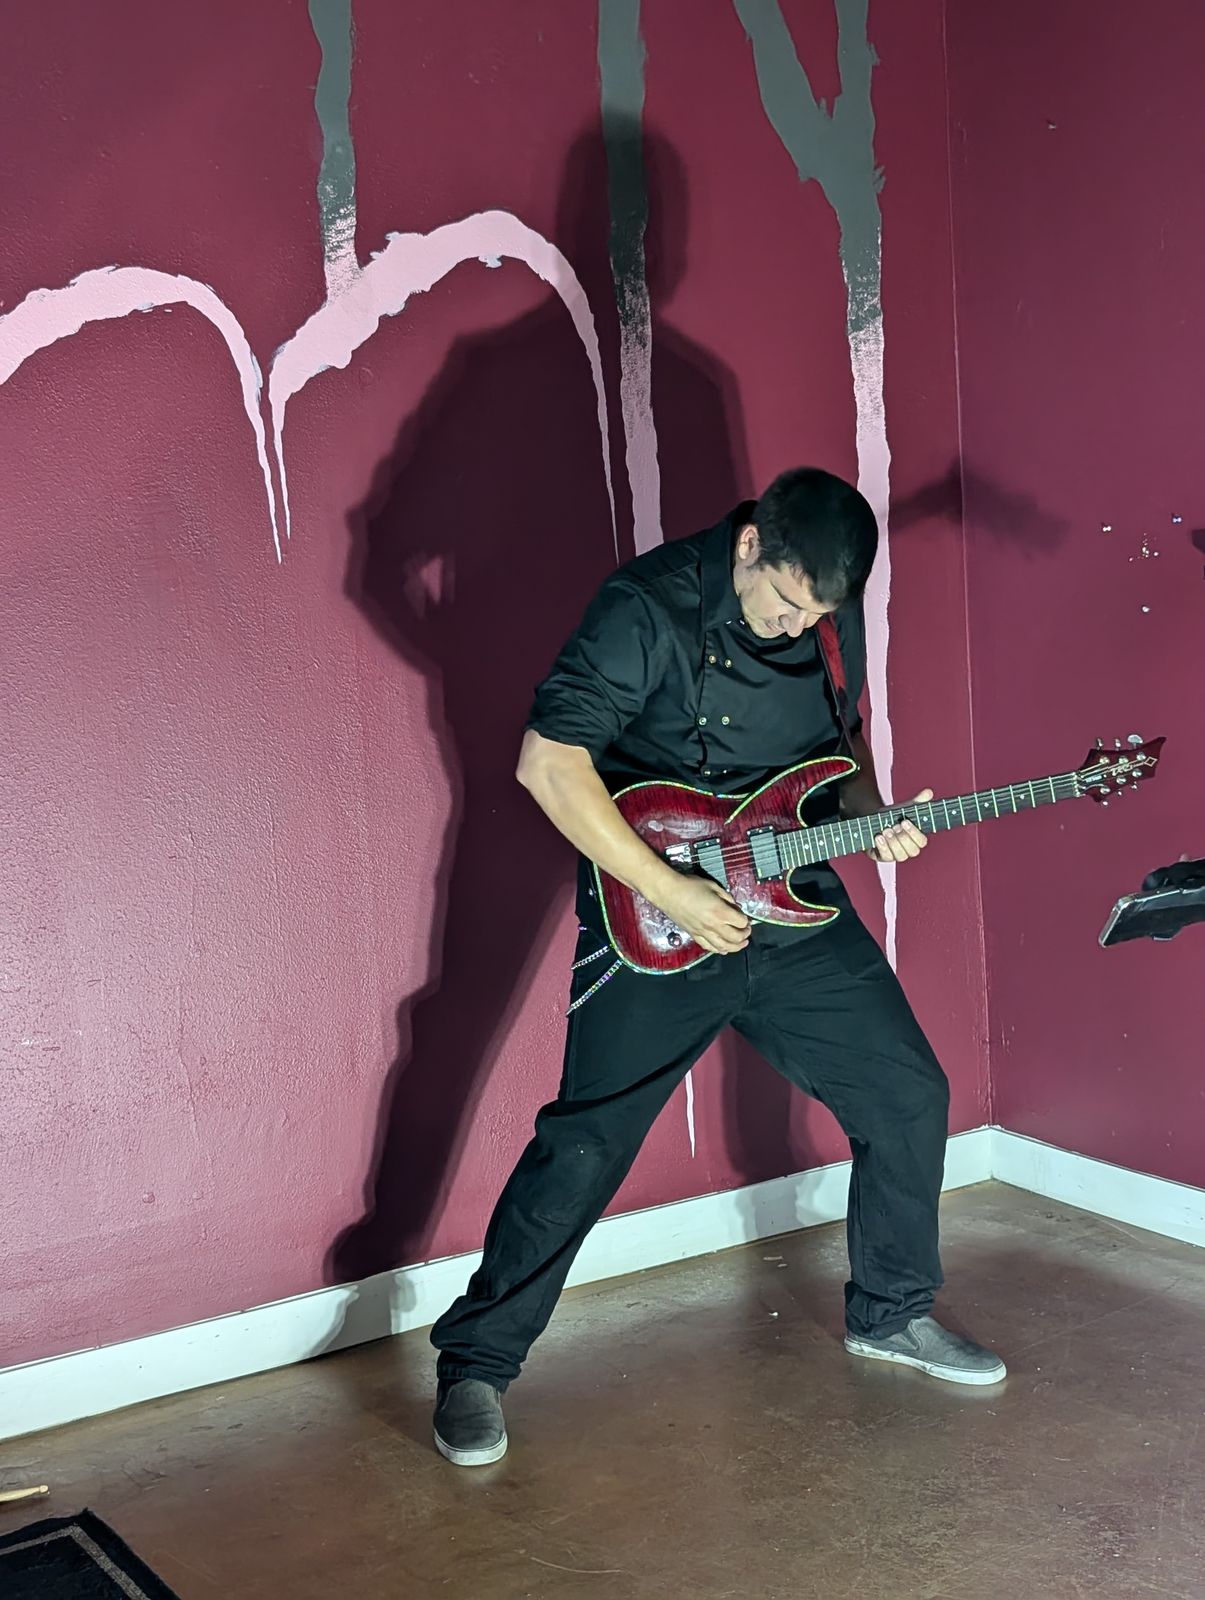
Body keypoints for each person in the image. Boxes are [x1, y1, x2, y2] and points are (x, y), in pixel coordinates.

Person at [430, 466, 1006, 1467]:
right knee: (584, 1146)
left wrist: (872, 819)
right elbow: (547, 762)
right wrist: (675, 888)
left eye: (814, 613)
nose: (795, 626)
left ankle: (890, 1312)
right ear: (748, 546)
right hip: (656, 912)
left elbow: (839, 746)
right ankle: (474, 1366)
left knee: (907, 1093)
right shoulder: (643, 608)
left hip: (787, 902)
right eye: (783, 603)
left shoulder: (825, 611)